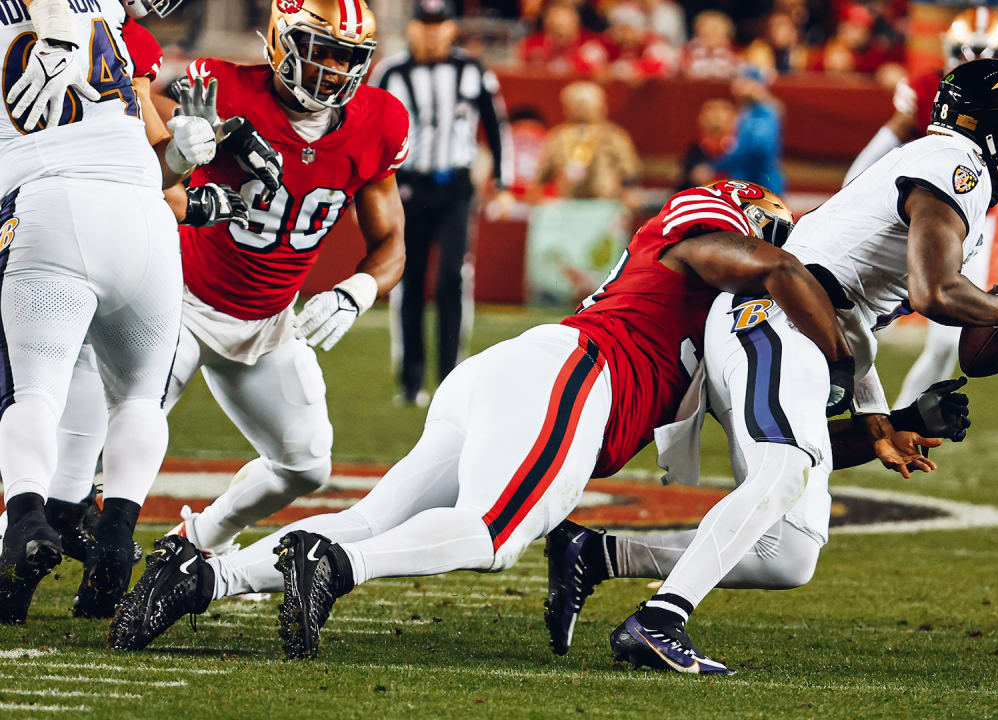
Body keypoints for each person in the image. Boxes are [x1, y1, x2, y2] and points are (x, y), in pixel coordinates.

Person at [107, 179, 855, 658]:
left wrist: (876, 423)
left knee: (373, 516)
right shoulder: (710, 234)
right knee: (491, 536)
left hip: (522, 375)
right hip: (572, 376)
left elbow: (781, 436)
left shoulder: (715, 322)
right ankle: (333, 567)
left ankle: (203, 580)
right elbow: (774, 268)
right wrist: (846, 365)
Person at [546, 58, 998, 674]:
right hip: (772, 314)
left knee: (788, 551)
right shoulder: (956, 164)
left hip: (805, 328)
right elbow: (934, 294)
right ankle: (657, 622)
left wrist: (884, 421)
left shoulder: (950, 180)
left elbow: (854, 322)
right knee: (785, 465)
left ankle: (594, 552)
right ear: (993, 125)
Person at [68, 0, 405, 571]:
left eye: (347, 57)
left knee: (306, 464)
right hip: (177, 301)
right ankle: (26, 532)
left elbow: (392, 242)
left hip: (270, 320)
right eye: (320, 50)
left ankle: (198, 538)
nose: (332, 69)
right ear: (280, 43)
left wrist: (360, 290)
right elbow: (143, 154)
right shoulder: (220, 85)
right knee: (90, 443)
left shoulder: (380, 120)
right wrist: (184, 144)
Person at [0, 0, 223, 623]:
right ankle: (118, 537)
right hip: (145, 219)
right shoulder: (103, 15)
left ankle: (25, 523)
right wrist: (184, 157)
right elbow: (156, 162)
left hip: (49, 205)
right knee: (137, 399)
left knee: (34, 392)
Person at [843, 7, 998, 411]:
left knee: (939, 336)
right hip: (928, 214)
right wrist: (856, 191)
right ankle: (883, 418)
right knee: (869, 311)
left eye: (989, 52)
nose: (977, 61)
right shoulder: (929, 90)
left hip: (973, 224)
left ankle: (895, 418)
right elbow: (877, 151)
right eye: (969, 51)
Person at [372, 0, 514, 407]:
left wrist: (503, 182)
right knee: (411, 281)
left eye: (439, 24)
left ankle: (452, 379)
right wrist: (363, 190)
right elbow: (370, 132)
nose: (432, 33)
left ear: (452, 29)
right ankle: (411, 382)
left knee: (452, 276)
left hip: (455, 186)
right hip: (408, 188)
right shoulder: (391, 72)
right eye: (424, 24)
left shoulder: (471, 70)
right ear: (411, 28)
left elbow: (495, 125)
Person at [535, 81, 640, 203]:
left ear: (601, 106)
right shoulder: (558, 136)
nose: (581, 109)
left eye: (586, 105)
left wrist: (628, 193)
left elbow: (629, 170)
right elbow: (542, 174)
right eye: (577, 105)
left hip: (605, 200)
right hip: (566, 201)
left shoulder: (613, 136)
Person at [710, 66, 785, 193]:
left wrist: (717, 167)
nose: (736, 85)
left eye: (742, 80)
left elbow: (758, 149)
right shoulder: (746, 111)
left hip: (761, 183)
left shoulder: (765, 112)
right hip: (743, 181)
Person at [676, 97, 734, 190]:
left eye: (722, 111)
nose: (716, 115)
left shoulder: (740, 148)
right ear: (701, 119)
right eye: (711, 110)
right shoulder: (695, 149)